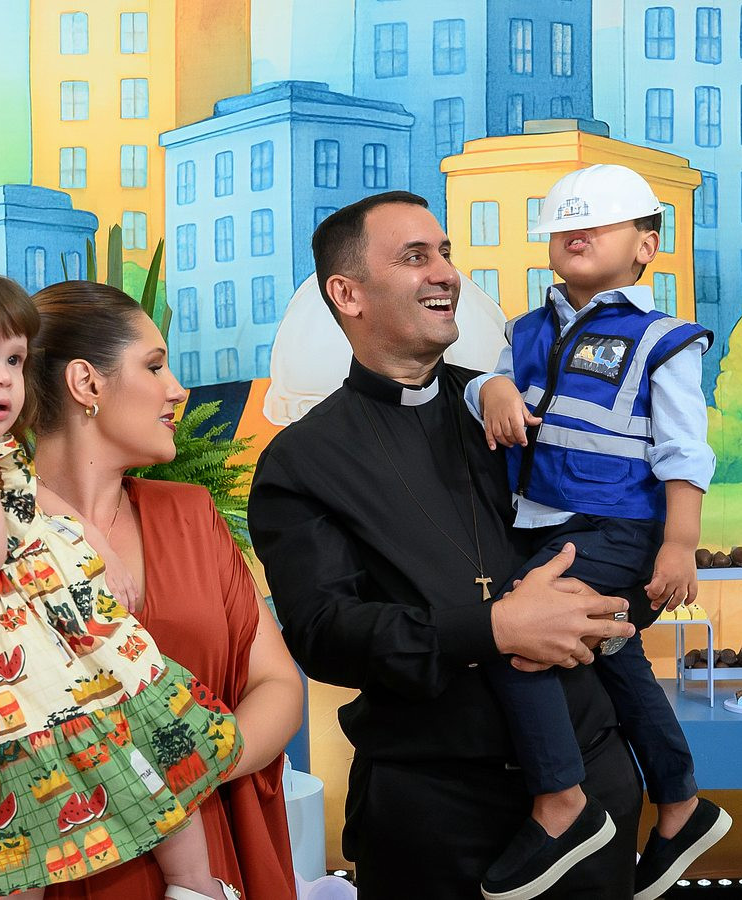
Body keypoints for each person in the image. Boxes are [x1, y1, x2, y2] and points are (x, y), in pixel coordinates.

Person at [248, 191, 643, 900]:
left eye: (446, 253)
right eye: (414, 257)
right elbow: (325, 633)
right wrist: (494, 628)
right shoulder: (301, 461)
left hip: (593, 787)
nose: (446, 273)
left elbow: (625, 529)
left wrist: (615, 611)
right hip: (432, 808)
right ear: (347, 294)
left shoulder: (521, 408)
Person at [0, 278, 304, 900]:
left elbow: (278, 686)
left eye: (12, 361)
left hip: (184, 838)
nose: (177, 389)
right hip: (25, 850)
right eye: (154, 365)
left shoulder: (189, 516)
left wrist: (178, 769)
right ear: (86, 383)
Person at [466, 164, 731, 900]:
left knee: (519, 632)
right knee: (617, 653)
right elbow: (483, 386)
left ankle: (563, 803)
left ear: (646, 246)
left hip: (620, 526)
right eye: (564, 226)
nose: (576, 234)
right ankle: (680, 802)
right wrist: (490, 386)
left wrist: (679, 544)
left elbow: (684, 450)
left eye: (598, 223)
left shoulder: (663, 340)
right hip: (545, 523)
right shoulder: (523, 330)